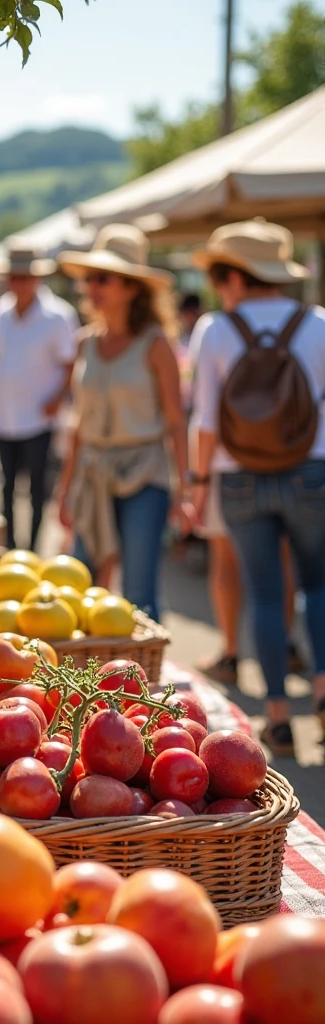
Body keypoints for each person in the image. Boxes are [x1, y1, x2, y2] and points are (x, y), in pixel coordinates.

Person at [189, 219, 325, 756]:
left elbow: (205, 419)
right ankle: (321, 693)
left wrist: (197, 485)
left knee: (266, 595)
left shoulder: (216, 331)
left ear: (237, 277)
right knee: (318, 586)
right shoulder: (317, 324)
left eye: (221, 274)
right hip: (312, 470)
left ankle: (277, 718)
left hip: (238, 476)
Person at [56, 224, 188, 624]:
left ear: (132, 288)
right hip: (92, 472)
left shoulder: (156, 344)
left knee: (138, 593)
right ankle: (89, 680)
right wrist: (64, 489)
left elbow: (176, 420)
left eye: (104, 279)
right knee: (82, 586)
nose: (92, 286)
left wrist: (185, 488)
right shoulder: (85, 342)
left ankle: (140, 679)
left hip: (145, 473)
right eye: (90, 278)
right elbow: (78, 423)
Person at [0, 244, 79, 551]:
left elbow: (70, 364)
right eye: (14, 277)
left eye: (24, 277)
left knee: (37, 489)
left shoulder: (59, 315)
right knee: (6, 487)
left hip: (39, 418)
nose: (19, 283)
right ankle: (9, 546)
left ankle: (32, 547)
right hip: (6, 416)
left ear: (36, 279)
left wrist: (57, 398)